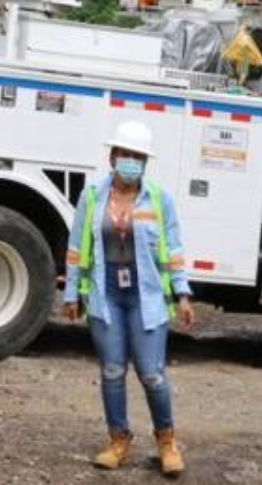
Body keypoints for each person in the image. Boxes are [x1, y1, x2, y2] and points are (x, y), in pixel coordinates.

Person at [61, 120, 195, 477]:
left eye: (138, 156)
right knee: (112, 370)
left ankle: (166, 441)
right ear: (112, 156)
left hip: (146, 298)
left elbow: (174, 249)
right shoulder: (91, 198)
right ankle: (118, 439)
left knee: (152, 374)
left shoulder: (159, 199)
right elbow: (76, 249)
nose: (132, 162)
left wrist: (182, 293)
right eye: (126, 155)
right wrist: (72, 293)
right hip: (106, 297)